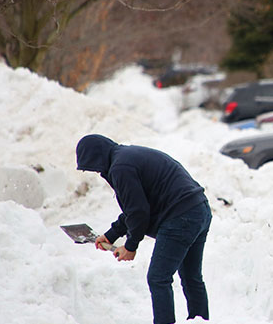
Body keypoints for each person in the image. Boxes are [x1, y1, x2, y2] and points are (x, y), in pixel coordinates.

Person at [76, 134, 212, 324]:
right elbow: (138, 208)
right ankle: (200, 320)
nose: (96, 172)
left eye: (93, 168)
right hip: (199, 209)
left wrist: (131, 246)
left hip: (180, 217)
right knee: (191, 277)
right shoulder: (126, 157)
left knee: (158, 278)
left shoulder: (120, 168)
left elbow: (138, 212)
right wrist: (111, 235)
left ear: (97, 159)